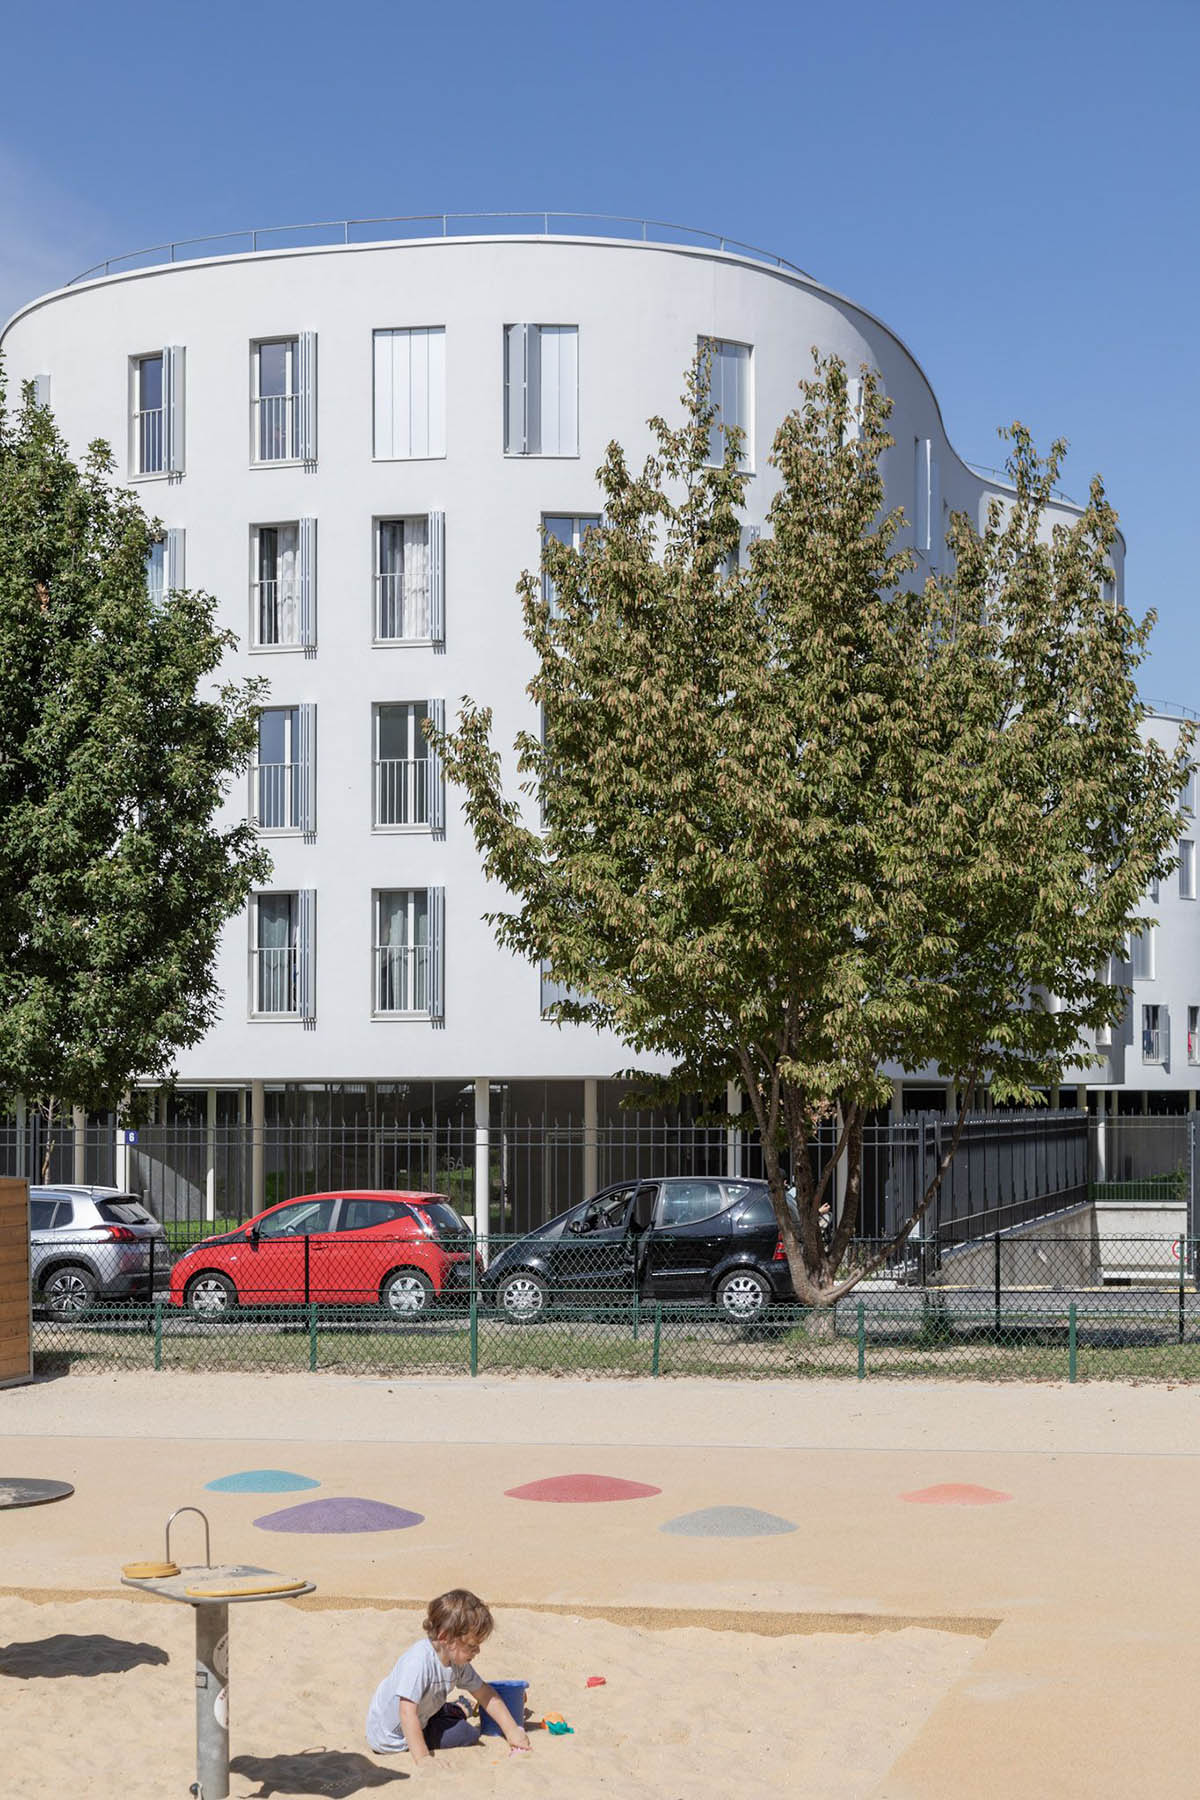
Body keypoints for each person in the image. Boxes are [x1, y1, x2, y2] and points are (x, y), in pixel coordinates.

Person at [366, 1587, 532, 1772]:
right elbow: (406, 1713)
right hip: (392, 1738)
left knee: (467, 1733)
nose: (477, 1651)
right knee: (466, 1734)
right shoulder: (418, 1662)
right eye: (471, 1645)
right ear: (445, 1637)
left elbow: (485, 1694)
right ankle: (455, 1709)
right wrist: (423, 1759)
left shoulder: (457, 1662)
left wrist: (512, 1730)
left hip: (423, 1714)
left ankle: (453, 1709)